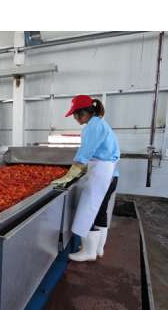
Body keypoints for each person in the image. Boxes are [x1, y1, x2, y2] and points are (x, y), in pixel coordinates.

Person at [51, 95, 120, 262]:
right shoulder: (100, 124)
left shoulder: (93, 127)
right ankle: (98, 249)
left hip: (101, 173)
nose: (75, 118)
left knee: (89, 210)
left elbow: (85, 152)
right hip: (110, 174)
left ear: (83, 113)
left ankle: (88, 253)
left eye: (75, 114)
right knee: (101, 211)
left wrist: (71, 172)